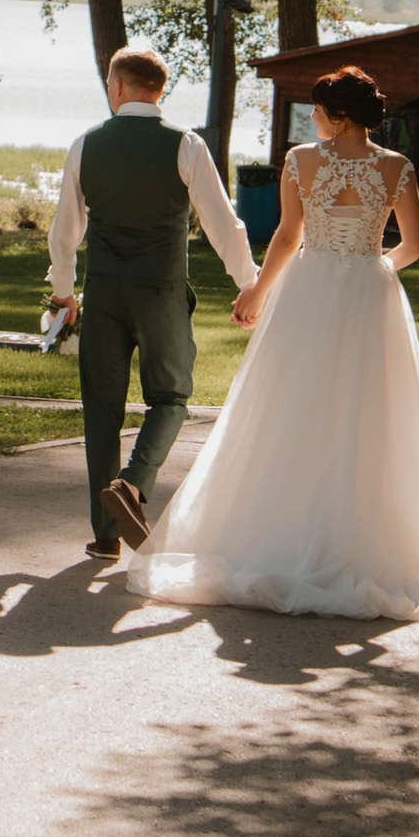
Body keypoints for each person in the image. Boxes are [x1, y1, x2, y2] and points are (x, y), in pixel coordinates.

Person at [126, 66, 419, 621]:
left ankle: (280, 529)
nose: (314, 119)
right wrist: (373, 272)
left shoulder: (303, 160)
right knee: (369, 413)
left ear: (339, 115)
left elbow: (285, 236)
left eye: (319, 110)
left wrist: (256, 291)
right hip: (371, 299)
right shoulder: (397, 167)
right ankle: (360, 538)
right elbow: (415, 245)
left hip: (308, 291)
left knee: (290, 405)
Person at [45, 45, 258, 562]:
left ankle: (104, 535)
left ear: (117, 86)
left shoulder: (86, 145)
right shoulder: (185, 145)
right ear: (159, 91)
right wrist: (251, 283)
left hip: (106, 291)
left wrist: (62, 294)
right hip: (161, 291)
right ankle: (134, 483)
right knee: (171, 397)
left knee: (101, 410)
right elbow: (221, 224)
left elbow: (66, 230)